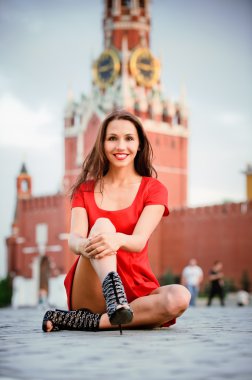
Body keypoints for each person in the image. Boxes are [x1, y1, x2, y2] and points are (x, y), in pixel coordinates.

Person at [42, 109, 190, 333]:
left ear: (139, 144)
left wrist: (117, 239)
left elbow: (139, 241)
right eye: (112, 138)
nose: (121, 146)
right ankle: (112, 293)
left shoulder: (154, 189)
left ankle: (87, 321)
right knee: (102, 225)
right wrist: (91, 243)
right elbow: (74, 240)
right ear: (102, 144)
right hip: (90, 288)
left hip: (135, 290)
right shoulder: (85, 190)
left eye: (129, 138)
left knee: (180, 297)